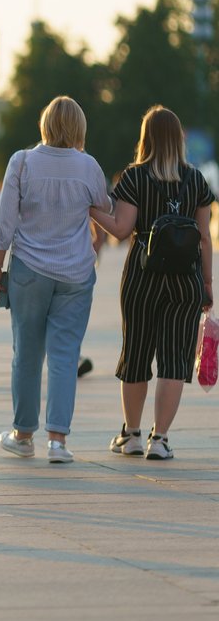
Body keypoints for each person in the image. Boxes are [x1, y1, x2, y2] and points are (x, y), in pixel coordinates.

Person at [0, 96, 111, 464]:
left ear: (45, 124)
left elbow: (4, 221)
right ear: (79, 128)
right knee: (65, 355)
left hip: (29, 269)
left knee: (26, 354)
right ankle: (58, 441)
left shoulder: (22, 161)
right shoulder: (89, 166)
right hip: (76, 273)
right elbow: (103, 210)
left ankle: (23, 435)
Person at [89, 105, 214, 460]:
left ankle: (131, 435)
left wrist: (91, 209)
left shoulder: (135, 177)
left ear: (147, 138)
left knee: (136, 354)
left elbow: (121, 229)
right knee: (174, 361)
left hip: (143, 277)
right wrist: (207, 284)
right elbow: (205, 238)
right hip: (186, 280)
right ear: (178, 139)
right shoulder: (197, 180)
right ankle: (159, 439)